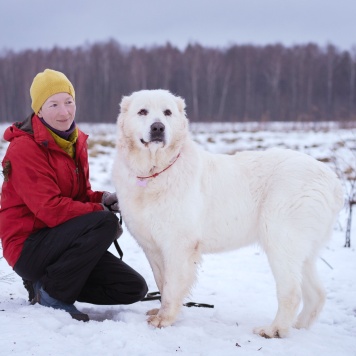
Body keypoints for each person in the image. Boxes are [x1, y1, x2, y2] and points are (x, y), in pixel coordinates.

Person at [0, 69, 148, 321]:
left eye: (69, 102)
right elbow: (50, 209)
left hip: (61, 243)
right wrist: (100, 214)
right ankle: (52, 294)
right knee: (104, 222)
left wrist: (103, 199)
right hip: (28, 246)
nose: (64, 112)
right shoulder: (25, 148)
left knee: (133, 288)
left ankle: (45, 285)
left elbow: (80, 195)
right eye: (54, 104)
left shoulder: (74, 141)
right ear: (39, 110)